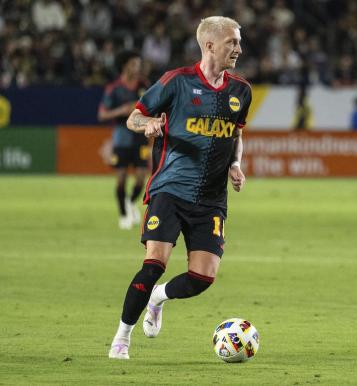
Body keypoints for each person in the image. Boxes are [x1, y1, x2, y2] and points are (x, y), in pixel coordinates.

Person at [108, 16, 251, 360]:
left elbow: (237, 135)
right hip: (170, 189)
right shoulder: (177, 82)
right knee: (154, 262)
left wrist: (235, 163)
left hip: (212, 198)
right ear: (210, 45)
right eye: (232, 42)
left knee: (203, 278)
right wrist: (150, 124)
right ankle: (122, 338)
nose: (239, 48)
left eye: (239, 42)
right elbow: (134, 117)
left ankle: (159, 298)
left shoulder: (240, 91)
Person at [98, 50, 148, 230]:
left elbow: (153, 106)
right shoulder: (114, 88)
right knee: (120, 179)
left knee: (141, 178)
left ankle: (129, 201)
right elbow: (102, 114)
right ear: (125, 65)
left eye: (138, 64)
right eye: (134, 64)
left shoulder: (144, 85)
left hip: (140, 136)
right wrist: (122, 110)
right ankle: (123, 215)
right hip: (121, 138)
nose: (138, 67)